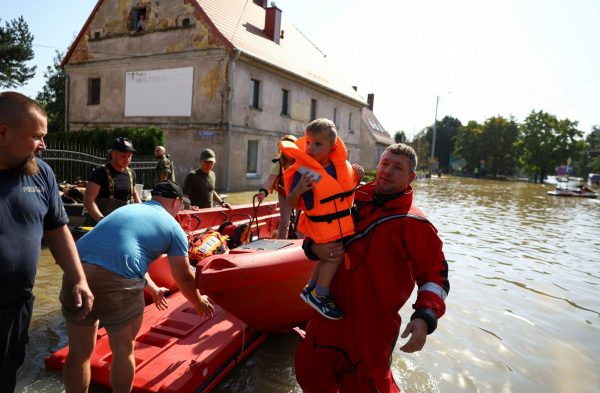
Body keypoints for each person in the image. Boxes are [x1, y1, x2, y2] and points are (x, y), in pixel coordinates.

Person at [295, 143, 450, 393]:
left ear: (410, 178)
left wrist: (424, 317)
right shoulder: (349, 201)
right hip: (327, 321)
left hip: (372, 333)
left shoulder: (416, 224)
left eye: (397, 167)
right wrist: (314, 248)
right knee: (310, 379)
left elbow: (435, 277)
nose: (387, 171)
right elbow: (316, 234)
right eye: (384, 164)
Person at [60, 180, 215, 393]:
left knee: (78, 352)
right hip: (116, 281)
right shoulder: (173, 227)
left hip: (75, 270)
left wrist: (151, 288)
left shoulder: (128, 209)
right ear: (176, 202)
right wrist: (199, 302)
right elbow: (184, 278)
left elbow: (123, 249)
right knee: (123, 350)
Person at [0, 92, 94, 393]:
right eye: (36, 137)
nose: (43, 145)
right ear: (3, 132)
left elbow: (57, 230)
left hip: (16, 308)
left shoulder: (41, 174)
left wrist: (78, 277)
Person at [280, 118, 363, 320]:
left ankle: (311, 288)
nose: (310, 148)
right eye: (308, 142)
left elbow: (347, 192)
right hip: (321, 226)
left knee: (329, 256)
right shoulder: (304, 172)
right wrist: (299, 189)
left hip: (338, 224)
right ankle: (320, 294)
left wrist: (358, 177)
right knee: (334, 256)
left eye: (318, 144)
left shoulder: (341, 166)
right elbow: (291, 202)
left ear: (332, 147)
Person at [83, 137, 141, 224]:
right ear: (113, 154)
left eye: (130, 157)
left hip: (121, 226)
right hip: (99, 227)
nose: (127, 160)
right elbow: (88, 200)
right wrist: (102, 221)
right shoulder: (100, 172)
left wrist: (142, 214)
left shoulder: (131, 174)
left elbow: (135, 195)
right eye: (124, 156)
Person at [257, 134, 298, 239]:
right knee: (284, 222)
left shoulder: (301, 163)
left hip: (299, 193)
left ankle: (301, 246)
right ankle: (281, 246)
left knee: (301, 222)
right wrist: (263, 192)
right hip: (284, 194)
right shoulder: (278, 164)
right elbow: (270, 180)